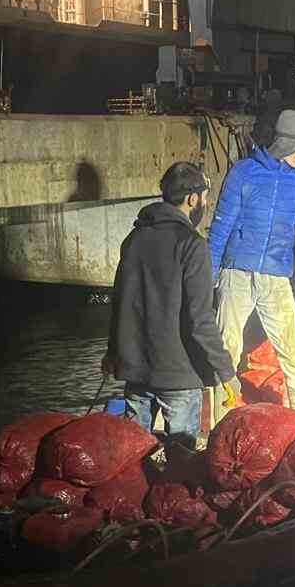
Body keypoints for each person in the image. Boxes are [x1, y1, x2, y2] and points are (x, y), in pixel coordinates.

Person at [209, 109, 295, 419]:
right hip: (235, 272)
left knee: (292, 351)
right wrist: (208, 278)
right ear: (286, 144)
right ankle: (218, 423)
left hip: (276, 277)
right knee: (226, 349)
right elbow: (221, 227)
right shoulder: (244, 172)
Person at [104, 162, 240, 443]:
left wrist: (112, 353)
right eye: (204, 198)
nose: (204, 203)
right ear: (193, 199)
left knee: (133, 455)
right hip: (178, 375)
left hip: (136, 371)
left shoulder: (134, 239)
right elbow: (199, 318)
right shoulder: (192, 245)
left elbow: (120, 303)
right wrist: (225, 370)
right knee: (181, 458)